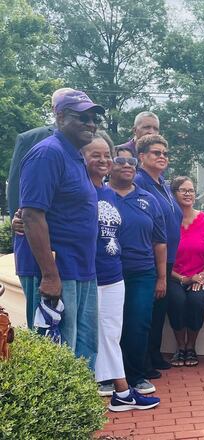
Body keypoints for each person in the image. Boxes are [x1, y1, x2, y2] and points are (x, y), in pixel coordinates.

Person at [11, 133, 161, 410]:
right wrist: (17, 222)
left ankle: (119, 391)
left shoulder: (107, 193)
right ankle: (105, 394)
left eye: (107, 155)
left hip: (112, 274)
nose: (103, 160)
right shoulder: (74, 189)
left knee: (106, 336)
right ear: (81, 157)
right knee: (73, 339)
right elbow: (34, 214)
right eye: (96, 154)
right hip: (82, 275)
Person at [16, 90, 102, 365]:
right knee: (58, 357)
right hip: (56, 272)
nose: (91, 123)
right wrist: (50, 276)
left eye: (94, 117)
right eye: (83, 117)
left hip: (81, 269)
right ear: (60, 116)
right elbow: (31, 215)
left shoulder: (74, 156)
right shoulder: (47, 154)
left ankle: (84, 408)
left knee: (84, 352)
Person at [111, 146, 167, 395]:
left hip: (142, 273)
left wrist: (162, 277)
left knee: (138, 324)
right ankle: (107, 376)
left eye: (130, 160)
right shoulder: (98, 195)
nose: (126, 165)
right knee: (109, 325)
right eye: (119, 160)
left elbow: (160, 241)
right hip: (106, 272)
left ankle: (135, 375)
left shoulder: (148, 199)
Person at [134, 134, 183, 376]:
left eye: (165, 153)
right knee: (145, 311)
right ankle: (141, 361)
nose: (162, 156)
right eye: (156, 153)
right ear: (141, 156)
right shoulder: (139, 182)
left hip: (168, 256)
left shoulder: (162, 182)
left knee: (158, 311)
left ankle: (153, 354)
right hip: (150, 257)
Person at [168, 176, 204, 367]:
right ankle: (180, 347)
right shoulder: (168, 221)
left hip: (201, 276)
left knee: (196, 301)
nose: (188, 194)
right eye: (183, 190)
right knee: (177, 301)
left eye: (191, 190)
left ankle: (191, 347)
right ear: (173, 194)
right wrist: (184, 279)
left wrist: (203, 275)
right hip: (174, 277)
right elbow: (161, 258)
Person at [7, 87, 74, 216]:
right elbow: (15, 185)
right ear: (53, 109)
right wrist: (17, 224)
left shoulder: (89, 138)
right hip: (40, 216)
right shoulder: (30, 139)